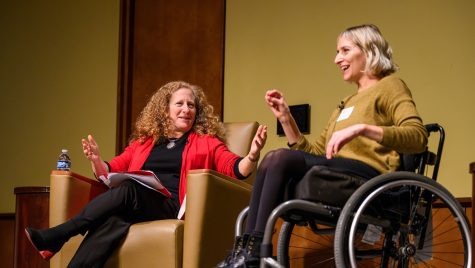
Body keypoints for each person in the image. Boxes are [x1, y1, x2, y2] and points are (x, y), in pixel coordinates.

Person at [217, 24, 428, 268]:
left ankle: (253, 256)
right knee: (275, 158)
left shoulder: (391, 86)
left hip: (368, 176)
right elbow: (316, 154)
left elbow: (417, 136)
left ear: (368, 51)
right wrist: (285, 118)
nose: (337, 59)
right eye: (337, 52)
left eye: (344, 51)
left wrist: (363, 129)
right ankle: (245, 251)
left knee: (279, 158)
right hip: (339, 169)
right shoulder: (346, 102)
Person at [25, 81, 267, 268]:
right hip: (137, 204)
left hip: (171, 205)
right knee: (112, 222)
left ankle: (60, 234)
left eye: (191, 105)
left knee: (128, 190)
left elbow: (237, 168)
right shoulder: (144, 143)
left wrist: (253, 155)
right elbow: (110, 171)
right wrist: (97, 160)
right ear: (165, 109)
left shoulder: (206, 142)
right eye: (179, 104)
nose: (186, 110)